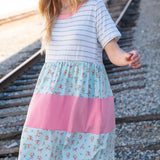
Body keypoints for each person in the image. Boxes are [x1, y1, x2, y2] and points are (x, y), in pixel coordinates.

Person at [18, 0, 141, 159]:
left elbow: (114, 53)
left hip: (87, 99)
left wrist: (127, 58)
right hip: (51, 98)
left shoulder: (94, 7)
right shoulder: (50, 11)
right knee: (39, 148)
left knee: (90, 151)